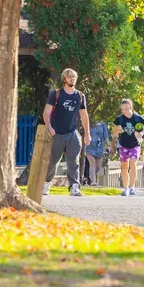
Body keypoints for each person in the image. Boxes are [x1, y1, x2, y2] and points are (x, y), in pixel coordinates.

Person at [43, 69, 91, 197]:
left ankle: (74, 187)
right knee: (52, 161)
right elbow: (46, 112)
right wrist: (49, 127)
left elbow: (84, 116)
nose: (72, 79)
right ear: (64, 79)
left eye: (74, 77)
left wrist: (87, 134)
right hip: (56, 132)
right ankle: (46, 184)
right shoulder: (56, 94)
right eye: (69, 77)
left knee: (74, 161)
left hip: (72, 133)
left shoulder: (80, 96)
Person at [113, 99, 144, 197]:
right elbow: (114, 132)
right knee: (124, 167)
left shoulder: (137, 118)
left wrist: (142, 133)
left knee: (133, 162)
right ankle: (126, 188)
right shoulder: (119, 119)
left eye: (126, 109)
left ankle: (132, 187)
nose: (124, 111)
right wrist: (118, 130)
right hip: (123, 145)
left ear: (130, 107)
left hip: (135, 145)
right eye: (122, 109)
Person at [86, 120, 110, 187]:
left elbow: (106, 135)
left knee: (98, 166)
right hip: (89, 145)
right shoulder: (89, 121)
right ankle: (93, 181)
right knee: (92, 162)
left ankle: (90, 176)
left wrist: (108, 145)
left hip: (99, 147)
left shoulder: (103, 124)